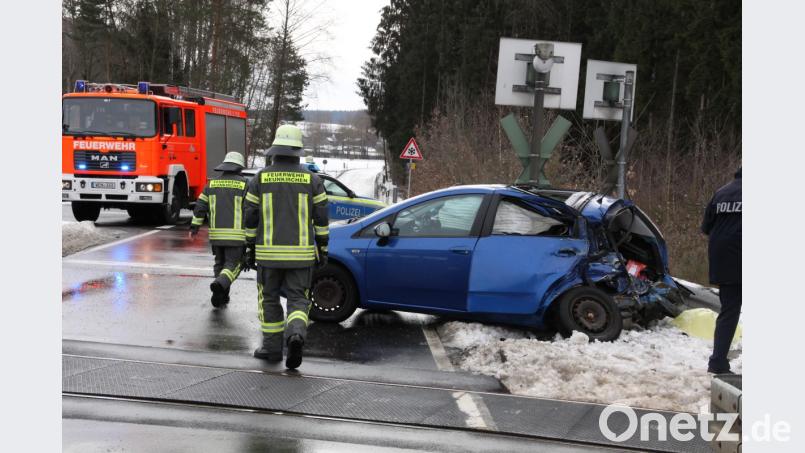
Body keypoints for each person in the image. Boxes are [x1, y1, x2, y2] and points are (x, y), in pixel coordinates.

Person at [244, 125, 329, 369]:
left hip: (268, 256)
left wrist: (249, 247)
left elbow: (249, 217)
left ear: (275, 150)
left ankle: (271, 349)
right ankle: (295, 336)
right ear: (297, 152)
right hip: (301, 257)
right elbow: (322, 221)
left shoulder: (260, 179)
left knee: (269, 299)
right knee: (299, 300)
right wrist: (322, 249)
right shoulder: (312, 180)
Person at [190, 151, 250, 308]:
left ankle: (221, 295)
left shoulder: (211, 184)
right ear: (239, 168)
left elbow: (200, 206)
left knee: (220, 264)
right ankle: (220, 284)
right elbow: (251, 210)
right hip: (236, 236)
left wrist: (195, 226)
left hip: (216, 236)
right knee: (234, 265)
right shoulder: (244, 185)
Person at [701, 167, 742, 374]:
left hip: (723, 262)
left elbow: (706, 227)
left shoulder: (721, 193)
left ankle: (717, 362)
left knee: (729, 312)